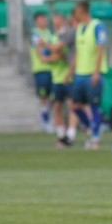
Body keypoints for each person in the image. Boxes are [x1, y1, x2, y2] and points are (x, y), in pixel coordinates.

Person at [70, 1, 108, 150]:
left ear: (82, 10)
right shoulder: (79, 28)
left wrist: (97, 72)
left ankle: (96, 137)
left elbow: (100, 49)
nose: (75, 14)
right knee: (75, 105)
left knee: (94, 105)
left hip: (93, 73)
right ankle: (91, 129)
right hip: (80, 73)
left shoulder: (98, 26)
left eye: (76, 11)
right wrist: (70, 71)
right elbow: (78, 52)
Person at [48, 12, 74, 147]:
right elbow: (54, 55)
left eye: (58, 22)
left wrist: (46, 50)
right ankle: (61, 134)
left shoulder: (67, 36)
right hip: (56, 77)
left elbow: (61, 55)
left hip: (67, 77)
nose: (56, 25)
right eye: (54, 23)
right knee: (57, 106)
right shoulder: (53, 37)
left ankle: (71, 134)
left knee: (71, 105)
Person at [29, 12, 55, 132]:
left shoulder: (49, 33)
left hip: (52, 69)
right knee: (43, 96)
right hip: (40, 69)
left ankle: (47, 117)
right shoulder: (35, 34)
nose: (44, 21)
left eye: (44, 18)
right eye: (41, 19)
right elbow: (41, 52)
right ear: (36, 21)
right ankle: (45, 119)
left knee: (52, 96)